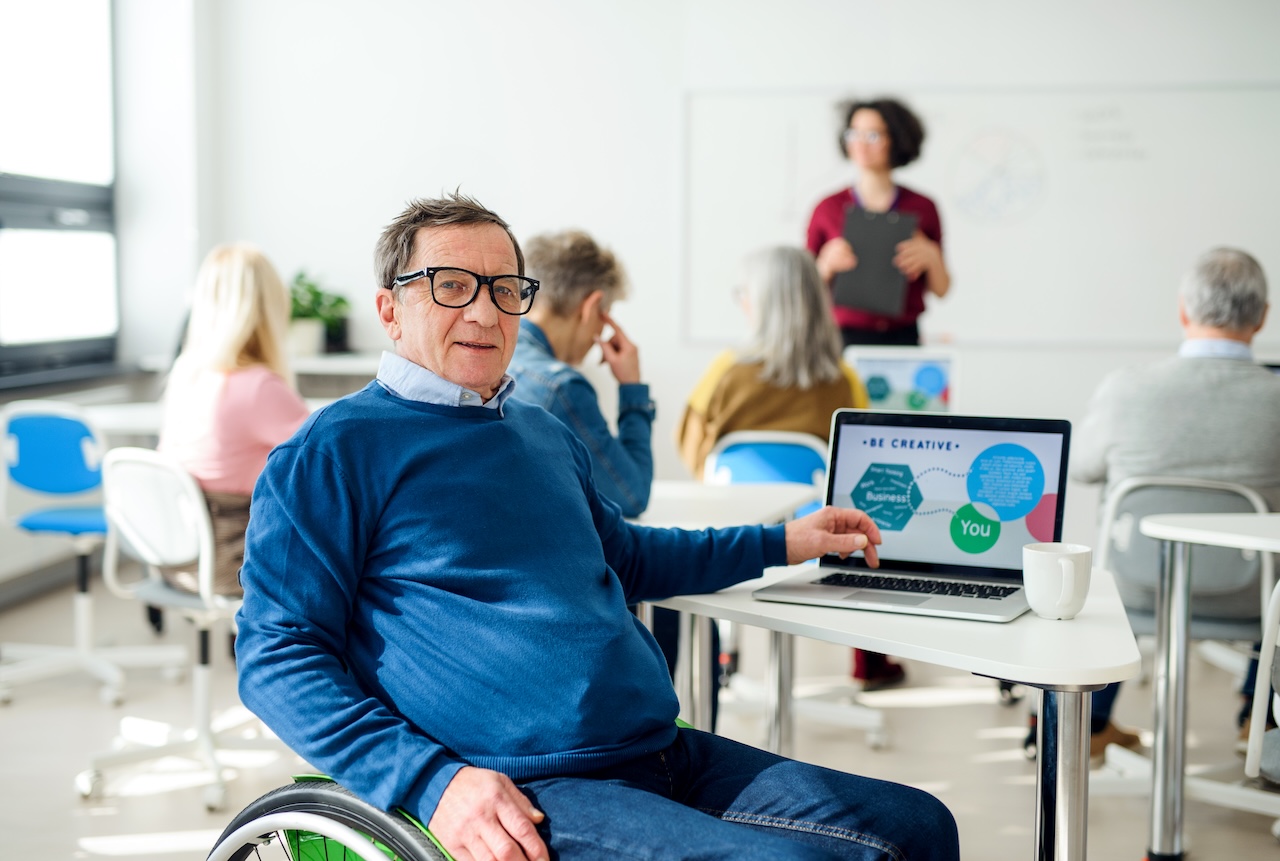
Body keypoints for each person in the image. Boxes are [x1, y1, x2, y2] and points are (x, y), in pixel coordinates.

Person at [235, 193, 960, 861]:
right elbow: (276, 654)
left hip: (659, 750)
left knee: (922, 826)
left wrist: (783, 540)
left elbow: (628, 556)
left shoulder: (541, 430)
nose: (485, 313)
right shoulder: (332, 451)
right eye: (451, 285)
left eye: (504, 289)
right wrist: (432, 782)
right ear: (390, 310)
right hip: (529, 788)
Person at [1071, 246, 1280, 756]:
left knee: (1104, 574)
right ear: (1261, 319)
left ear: (1184, 312)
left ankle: (1092, 727)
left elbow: (1081, 469)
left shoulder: (1126, 389)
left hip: (1141, 589)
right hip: (1253, 597)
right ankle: (1259, 721)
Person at [157, 243, 310, 596]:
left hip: (179, 559)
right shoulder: (258, 387)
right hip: (230, 562)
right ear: (268, 309)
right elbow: (328, 452)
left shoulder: (188, 374)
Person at [677, 245, 868, 478]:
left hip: (736, 509)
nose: (742, 302)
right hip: (817, 511)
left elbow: (689, 446)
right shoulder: (844, 379)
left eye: (744, 292)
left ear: (762, 302)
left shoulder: (727, 370)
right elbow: (860, 458)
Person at [509, 229, 653, 517]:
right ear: (590, 307)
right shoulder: (562, 388)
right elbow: (631, 496)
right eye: (605, 315)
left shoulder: (490, 355)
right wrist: (632, 388)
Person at [807, 97, 950, 347]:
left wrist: (931, 256)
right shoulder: (827, 208)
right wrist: (825, 266)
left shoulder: (923, 208)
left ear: (896, 139)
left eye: (872, 136)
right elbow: (803, 289)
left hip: (903, 335)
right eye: (854, 134)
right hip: (841, 337)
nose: (860, 144)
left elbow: (941, 289)